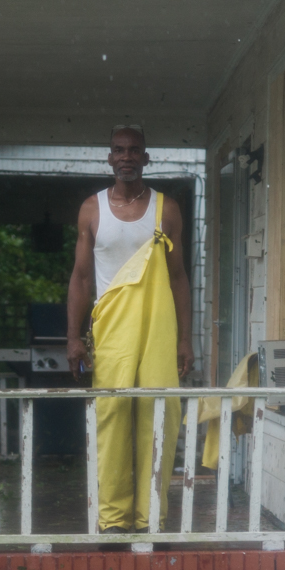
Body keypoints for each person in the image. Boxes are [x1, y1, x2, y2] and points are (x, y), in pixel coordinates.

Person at [66, 125, 194, 533]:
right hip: (112, 327)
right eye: (119, 150)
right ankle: (114, 518)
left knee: (160, 412)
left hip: (159, 326)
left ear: (146, 158)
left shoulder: (166, 209)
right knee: (113, 413)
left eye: (134, 150)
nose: (126, 157)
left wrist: (186, 338)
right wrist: (73, 337)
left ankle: (150, 516)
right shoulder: (92, 209)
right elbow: (82, 278)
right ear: (109, 158)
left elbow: (178, 278)